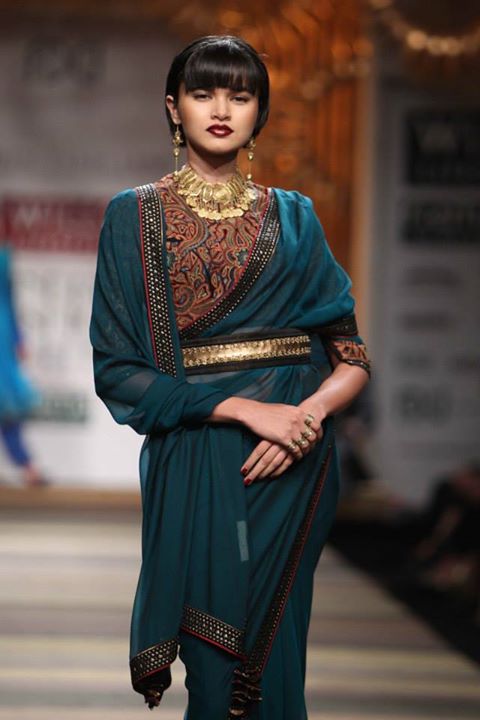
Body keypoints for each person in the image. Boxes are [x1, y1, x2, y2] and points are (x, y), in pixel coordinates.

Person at [90, 35, 371, 720]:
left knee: (276, 660)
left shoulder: (295, 218)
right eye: (203, 93)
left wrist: (303, 420)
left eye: (240, 97)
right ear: (173, 107)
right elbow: (118, 371)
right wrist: (248, 411)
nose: (221, 109)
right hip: (201, 456)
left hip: (294, 461)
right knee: (216, 672)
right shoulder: (134, 216)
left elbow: (351, 358)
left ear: (259, 114)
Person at [0, 240, 44, 487]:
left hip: (3, 333)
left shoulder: (3, 259)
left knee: (7, 405)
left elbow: (8, 298)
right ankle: (28, 466)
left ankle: (27, 466)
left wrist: (17, 338)